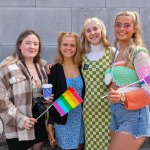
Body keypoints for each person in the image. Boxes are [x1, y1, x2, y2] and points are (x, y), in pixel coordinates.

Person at [0, 30, 53, 150]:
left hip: (39, 120)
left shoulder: (43, 68)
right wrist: (20, 120)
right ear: (19, 45)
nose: (32, 47)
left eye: (36, 44)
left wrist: (47, 100)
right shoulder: (7, 68)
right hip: (18, 125)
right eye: (28, 43)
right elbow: (2, 102)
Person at [104, 11, 150, 150]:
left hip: (134, 116)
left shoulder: (139, 54)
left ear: (134, 29)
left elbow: (149, 88)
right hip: (117, 114)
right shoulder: (117, 54)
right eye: (118, 25)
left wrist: (123, 96)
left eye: (127, 25)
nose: (121, 29)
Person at [80, 17, 116, 150]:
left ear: (102, 30)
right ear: (84, 35)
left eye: (95, 28)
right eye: (88, 30)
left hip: (109, 108)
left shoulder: (112, 53)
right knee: (92, 144)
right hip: (90, 109)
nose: (92, 33)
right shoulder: (82, 56)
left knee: (110, 144)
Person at [47, 32, 85, 150]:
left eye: (72, 45)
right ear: (59, 46)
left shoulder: (83, 67)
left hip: (81, 119)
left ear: (77, 47)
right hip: (63, 119)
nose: (68, 48)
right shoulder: (54, 70)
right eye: (65, 44)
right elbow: (52, 100)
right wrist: (50, 126)